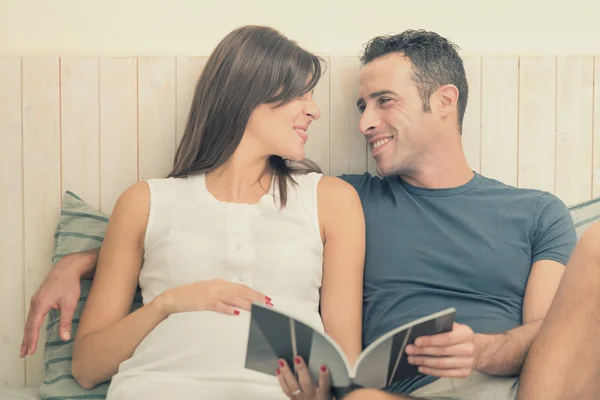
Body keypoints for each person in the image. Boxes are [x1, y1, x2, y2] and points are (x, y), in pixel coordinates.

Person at [22, 28, 596, 400]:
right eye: (359, 106)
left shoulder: (534, 211)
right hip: (395, 391)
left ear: (443, 100)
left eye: (382, 102)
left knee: (594, 252)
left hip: (514, 384)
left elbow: (551, 333)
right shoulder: (346, 198)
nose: (360, 122)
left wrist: (486, 351)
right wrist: (89, 260)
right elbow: (207, 227)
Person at [20, 25, 366, 400]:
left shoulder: (331, 200)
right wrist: (167, 304)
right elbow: (87, 368)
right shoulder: (145, 202)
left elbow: (345, 365)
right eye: (301, 94)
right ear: (248, 93)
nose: (314, 109)